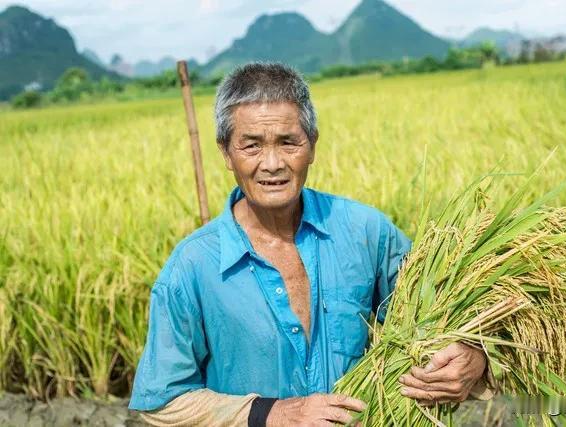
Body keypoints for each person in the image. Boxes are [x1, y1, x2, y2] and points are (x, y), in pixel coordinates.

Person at [128, 62, 495, 426]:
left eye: (289, 143)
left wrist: (473, 357)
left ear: (312, 145)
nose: (272, 164)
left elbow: (444, 317)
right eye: (251, 146)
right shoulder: (192, 267)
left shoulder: (365, 231)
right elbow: (161, 400)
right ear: (226, 153)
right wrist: (272, 413)